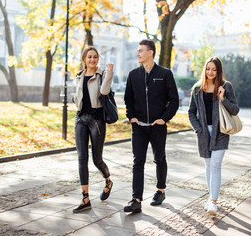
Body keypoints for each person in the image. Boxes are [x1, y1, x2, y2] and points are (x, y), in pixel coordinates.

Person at [123, 39, 179, 213]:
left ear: (151, 53)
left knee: (159, 158)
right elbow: (128, 100)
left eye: (141, 51)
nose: (137, 53)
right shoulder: (133, 75)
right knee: (137, 161)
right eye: (137, 51)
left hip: (157, 125)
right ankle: (136, 200)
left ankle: (160, 190)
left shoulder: (165, 74)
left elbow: (174, 101)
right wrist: (131, 117)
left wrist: (164, 118)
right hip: (139, 126)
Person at [188, 56, 239, 216]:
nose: (210, 72)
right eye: (208, 68)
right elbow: (191, 112)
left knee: (216, 166)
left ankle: (214, 202)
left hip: (221, 132)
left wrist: (223, 99)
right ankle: (211, 198)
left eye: (214, 69)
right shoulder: (197, 88)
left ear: (219, 70)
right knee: (208, 166)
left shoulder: (226, 86)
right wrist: (198, 129)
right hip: (203, 134)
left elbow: (235, 110)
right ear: (205, 69)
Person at [72, 46, 114, 213]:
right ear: (84, 59)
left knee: (97, 160)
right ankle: (85, 198)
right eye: (89, 57)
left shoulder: (102, 74)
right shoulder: (79, 76)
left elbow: (104, 92)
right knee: (82, 158)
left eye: (95, 57)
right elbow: (78, 98)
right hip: (81, 119)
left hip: (97, 120)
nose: (92, 60)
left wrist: (109, 72)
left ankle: (108, 181)